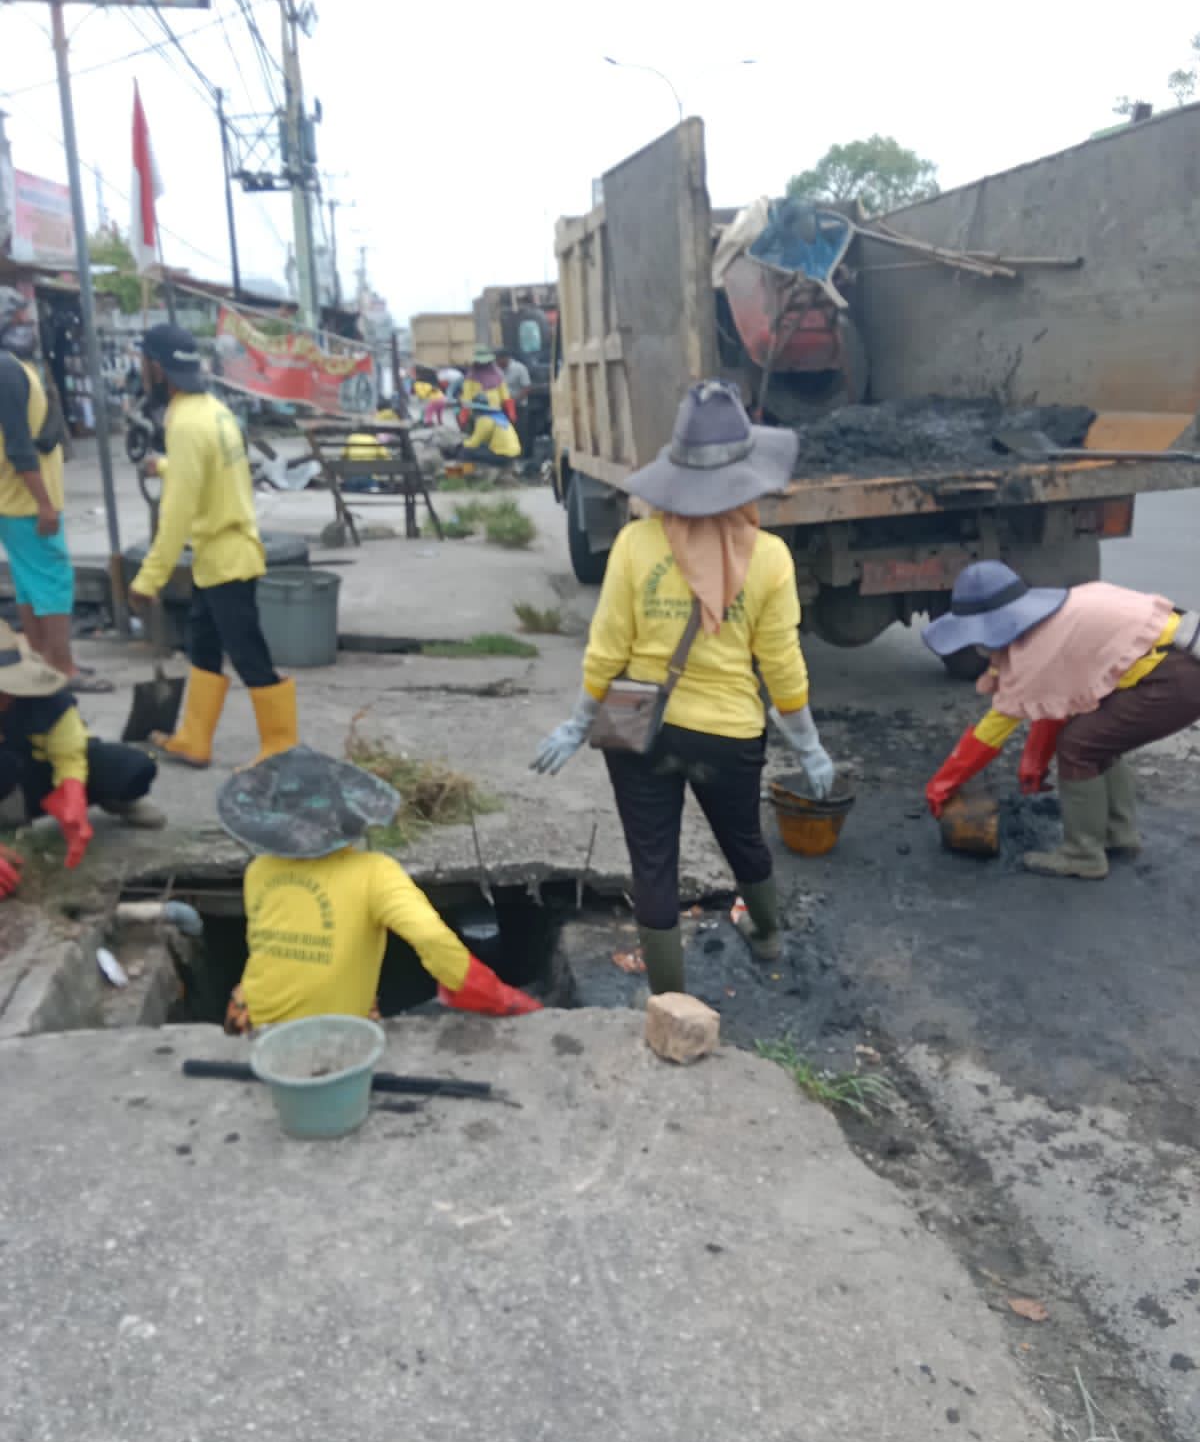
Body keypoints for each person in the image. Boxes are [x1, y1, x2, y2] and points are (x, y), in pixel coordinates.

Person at [531, 380, 835, 994]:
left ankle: (669, 996)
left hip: (635, 727)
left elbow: (607, 647)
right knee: (744, 841)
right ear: (747, 475)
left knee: (653, 863)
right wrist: (807, 745)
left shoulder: (636, 544)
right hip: (728, 734)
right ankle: (769, 935)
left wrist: (578, 719)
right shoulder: (770, 558)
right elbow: (781, 667)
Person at [216, 745, 542, 1029]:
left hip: (250, 1019)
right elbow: (430, 937)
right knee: (367, 1011)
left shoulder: (257, 871)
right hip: (336, 1029)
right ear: (348, 814)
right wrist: (495, 995)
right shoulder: (374, 873)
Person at [923, 560, 1200, 878]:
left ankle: (1083, 854)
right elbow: (1056, 705)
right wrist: (1033, 769)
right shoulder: (1056, 619)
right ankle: (1119, 836)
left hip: (1179, 676)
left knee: (1079, 747)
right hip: (1179, 661)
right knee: (1098, 736)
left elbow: (992, 731)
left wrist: (941, 786)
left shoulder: (1039, 651)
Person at [129, 324, 297, 770]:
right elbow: (207, 472)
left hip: (225, 556)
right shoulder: (215, 411)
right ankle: (194, 738)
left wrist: (149, 578)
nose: (140, 370)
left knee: (248, 653)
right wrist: (165, 466)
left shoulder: (183, 422)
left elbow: (177, 514)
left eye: (144, 361)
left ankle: (281, 748)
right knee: (202, 641)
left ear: (158, 368)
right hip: (224, 550)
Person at [0, 619, 162, 899]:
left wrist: (71, 791)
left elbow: (70, 751)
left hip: (36, 776)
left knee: (131, 767)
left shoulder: (45, 698)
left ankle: (113, 799)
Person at [0, 288, 106, 693]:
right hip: (26, 500)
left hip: (16, 499)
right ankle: (62, 667)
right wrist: (44, 502)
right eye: (20, 319)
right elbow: (18, 444)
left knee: (30, 585)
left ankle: (43, 663)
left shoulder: (15, 367)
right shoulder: (8, 370)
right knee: (54, 583)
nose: (28, 325)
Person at [459, 393, 521, 471]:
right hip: (513, 453)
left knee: (466, 451)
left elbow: (474, 443)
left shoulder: (484, 420)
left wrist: (461, 444)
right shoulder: (499, 416)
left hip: (502, 454)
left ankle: (464, 474)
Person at [458, 346, 515, 429]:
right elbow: (467, 398)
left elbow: (505, 396)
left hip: (496, 412)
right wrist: (463, 417)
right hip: (477, 414)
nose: (482, 364)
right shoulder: (470, 377)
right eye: (480, 362)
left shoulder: (498, 375)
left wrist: (511, 412)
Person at [495, 350, 531, 449]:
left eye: (499, 361)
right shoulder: (496, 370)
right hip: (502, 407)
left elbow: (527, 387)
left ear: (506, 358)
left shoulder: (519, 368)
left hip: (518, 407)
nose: (498, 364)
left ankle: (521, 454)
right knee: (503, 431)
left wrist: (514, 402)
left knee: (519, 431)